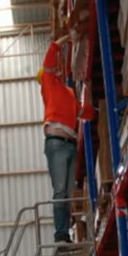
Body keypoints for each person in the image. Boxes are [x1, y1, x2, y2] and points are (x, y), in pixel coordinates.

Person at [38, 34, 93, 243]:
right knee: (60, 190)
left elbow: (86, 114)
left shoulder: (69, 92)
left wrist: (87, 92)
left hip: (70, 145)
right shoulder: (49, 84)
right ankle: (60, 235)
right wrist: (61, 42)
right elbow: (49, 61)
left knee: (67, 195)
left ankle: (65, 234)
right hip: (57, 144)